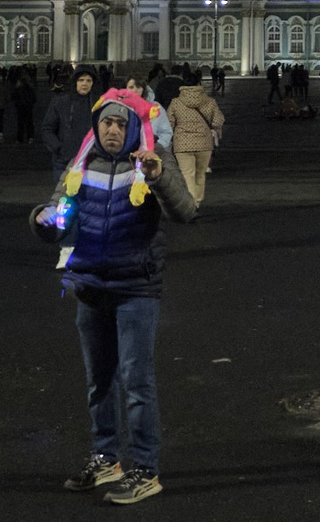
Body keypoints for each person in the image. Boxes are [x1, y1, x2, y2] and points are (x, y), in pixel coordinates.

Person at [34, 88, 197, 506]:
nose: (111, 129)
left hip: (135, 287)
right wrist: (44, 218)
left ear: (133, 128)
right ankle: (106, 457)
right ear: (96, 126)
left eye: (120, 123)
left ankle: (146, 468)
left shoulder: (152, 158)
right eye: (106, 122)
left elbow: (185, 210)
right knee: (99, 380)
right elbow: (59, 210)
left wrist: (159, 177)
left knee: (137, 381)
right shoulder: (82, 163)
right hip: (90, 285)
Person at [167, 75, 224, 204]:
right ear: (198, 84)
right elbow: (218, 121)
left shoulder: (175, 102)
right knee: (200, 175)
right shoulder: (210, 101)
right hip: (204, 143)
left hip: (182, 144)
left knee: (187, 174)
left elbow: (169, 123)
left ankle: (191, 204)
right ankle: (197, 202)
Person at [42, 71, 100, 173]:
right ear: (75, 82)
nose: (84, 84)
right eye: (81, 80)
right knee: (63, 189)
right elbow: (48, 128)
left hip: (90, 160)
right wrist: (58, 147)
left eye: (88, 80)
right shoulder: (61, 101)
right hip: (64, 160)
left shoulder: (98, 104)